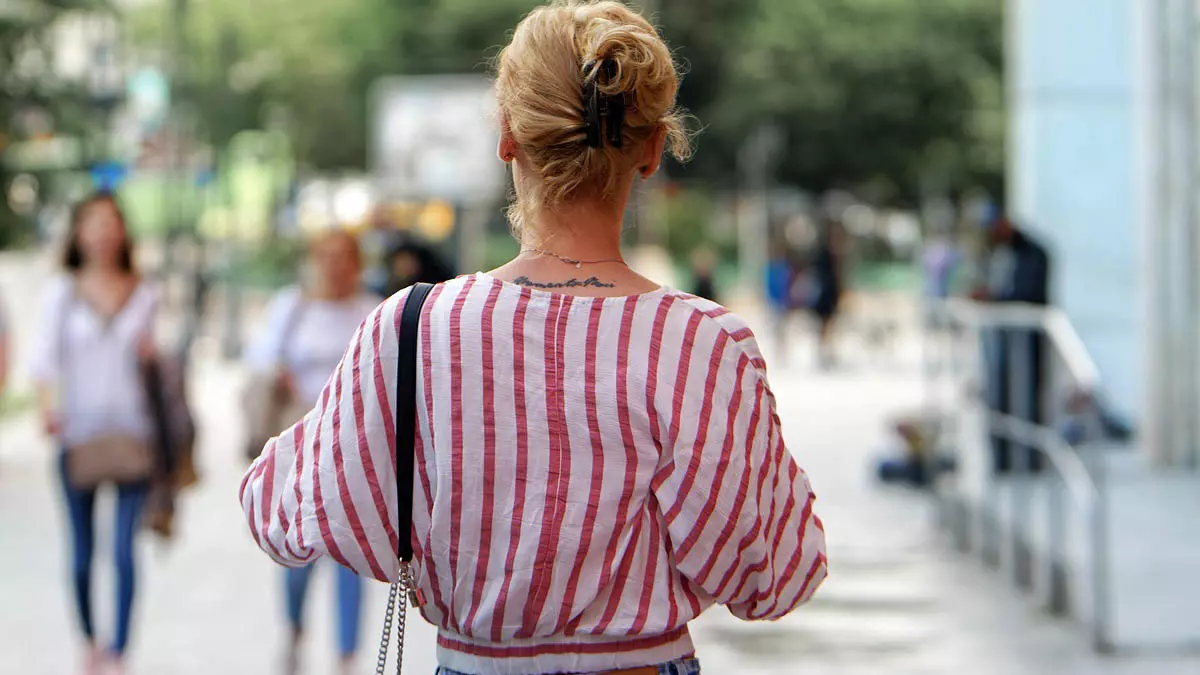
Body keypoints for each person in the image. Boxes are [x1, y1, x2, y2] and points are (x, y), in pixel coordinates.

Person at [240, 3, 827, 675]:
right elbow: (777, 574)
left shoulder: (413, 329)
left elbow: (277, 506)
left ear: (506, 135)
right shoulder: (701, 344)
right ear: (653, 148)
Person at [243, 229, 382, 675]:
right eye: (327, 255)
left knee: (351, 554)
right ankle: (295, 630)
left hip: (353, 452)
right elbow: (260, 359)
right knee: (298, 552)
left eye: (344, 256)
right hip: (301, 452)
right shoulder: (292, 307)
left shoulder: (370, 309)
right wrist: (279, 374)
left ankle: (346, 655)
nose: (335, 265)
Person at [31, 192, 159, 675]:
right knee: (83, 554)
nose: (104, 232)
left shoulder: (145, 293)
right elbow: (43, 362)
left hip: (132, 436)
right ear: (79, 232)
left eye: (112, 223)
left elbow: (155, 364)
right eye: (94, 223)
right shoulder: (60, 293)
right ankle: (89, 641)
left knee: (125, 552)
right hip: (79, 438)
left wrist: (153, 358)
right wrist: (49, 412)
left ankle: (120, 652)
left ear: (122, 232)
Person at [974, 212, 1051, 474]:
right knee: (1001, 399)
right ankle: (1004, 461)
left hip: (1026, 345)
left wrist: (994, 298)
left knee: (1026, 401)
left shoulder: (1035, 253)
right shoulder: (1002, 255)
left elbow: (1028, 294)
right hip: (1005, 343)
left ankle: (1028, 461)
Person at [807, 223, 844, 370]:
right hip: (824, 295)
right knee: (824, 324)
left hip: (829, 295)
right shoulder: (824, 255)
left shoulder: (834, 255)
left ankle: (827, 351)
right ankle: (823, 352)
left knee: (829, 325)